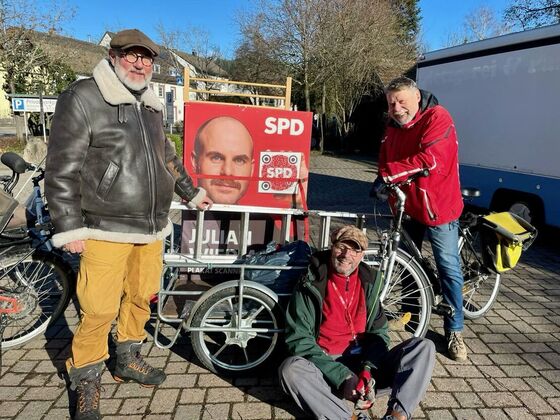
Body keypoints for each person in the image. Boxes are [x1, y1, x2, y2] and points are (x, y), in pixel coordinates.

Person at [45, 28, 212, 420]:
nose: (140, 63)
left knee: (140, 297)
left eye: (147, 58)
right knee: (99, 309)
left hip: (151, 226)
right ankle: (85, 376)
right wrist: (68, 227)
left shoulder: (151, 105)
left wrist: (190, 192)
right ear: (114, 55)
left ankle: (126, 357)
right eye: (132, 55)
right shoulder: (83, 96)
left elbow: (166, 156)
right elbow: (61, 168)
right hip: (104, 226)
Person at [279, 225, 435, 420]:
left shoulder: (369, 282)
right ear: (332, 247)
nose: (347, 255)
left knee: (423, 346)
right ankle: (346, 417)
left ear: (362, 255)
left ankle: (396, 416)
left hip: (366, 366)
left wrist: (368, 369)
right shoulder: (310, 283)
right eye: (342, 247)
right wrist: (343, 377)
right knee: (291, 369)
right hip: (326, 368)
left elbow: (379, 334)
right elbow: (298, 339)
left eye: (355, 250)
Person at [374, 76, 467, 362]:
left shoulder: (437, 117)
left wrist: (388, 175)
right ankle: (410, 312)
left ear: (417, 97)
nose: (396, 107)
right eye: (391, 103)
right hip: (408, 206)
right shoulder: (391, 128)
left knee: (447, 265)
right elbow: (383, 161)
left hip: (438, 205)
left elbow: (431, 159)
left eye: (402, 101)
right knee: (406, 263)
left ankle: (455, 330)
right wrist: (383, 181)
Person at [191, 116, 254, 204]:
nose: (227, 172)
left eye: (239, 160)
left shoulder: (266, 216)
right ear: (195, 162)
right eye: (216, 158)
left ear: (252, 169)